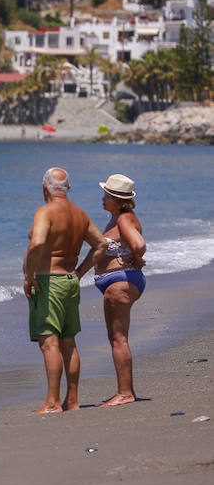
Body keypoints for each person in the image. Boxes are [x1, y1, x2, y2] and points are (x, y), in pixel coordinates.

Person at [23, 168, 107, 414]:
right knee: (68, 342)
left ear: (44, 187)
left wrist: (29, 276)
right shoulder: (80, 214)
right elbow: (101, 243)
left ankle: (52, 403)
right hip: (70, 280)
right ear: (68, 188)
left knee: (49, 343)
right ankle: (72, 401)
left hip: (49, 283)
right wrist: (80, 272)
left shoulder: (45, 211)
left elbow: (37, 242)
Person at [82, 174, 147, 407]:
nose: (102, 199)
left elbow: (139, 244)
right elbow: (99, 250)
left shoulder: (124, 220)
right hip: (118, 280)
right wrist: (78, 274)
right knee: (116, 338)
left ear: (117, 200)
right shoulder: (117, 219)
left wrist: (136, 258)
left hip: (120, 281)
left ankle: (125, 393)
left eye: (106, 196)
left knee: (118, 339)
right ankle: (125, 391)